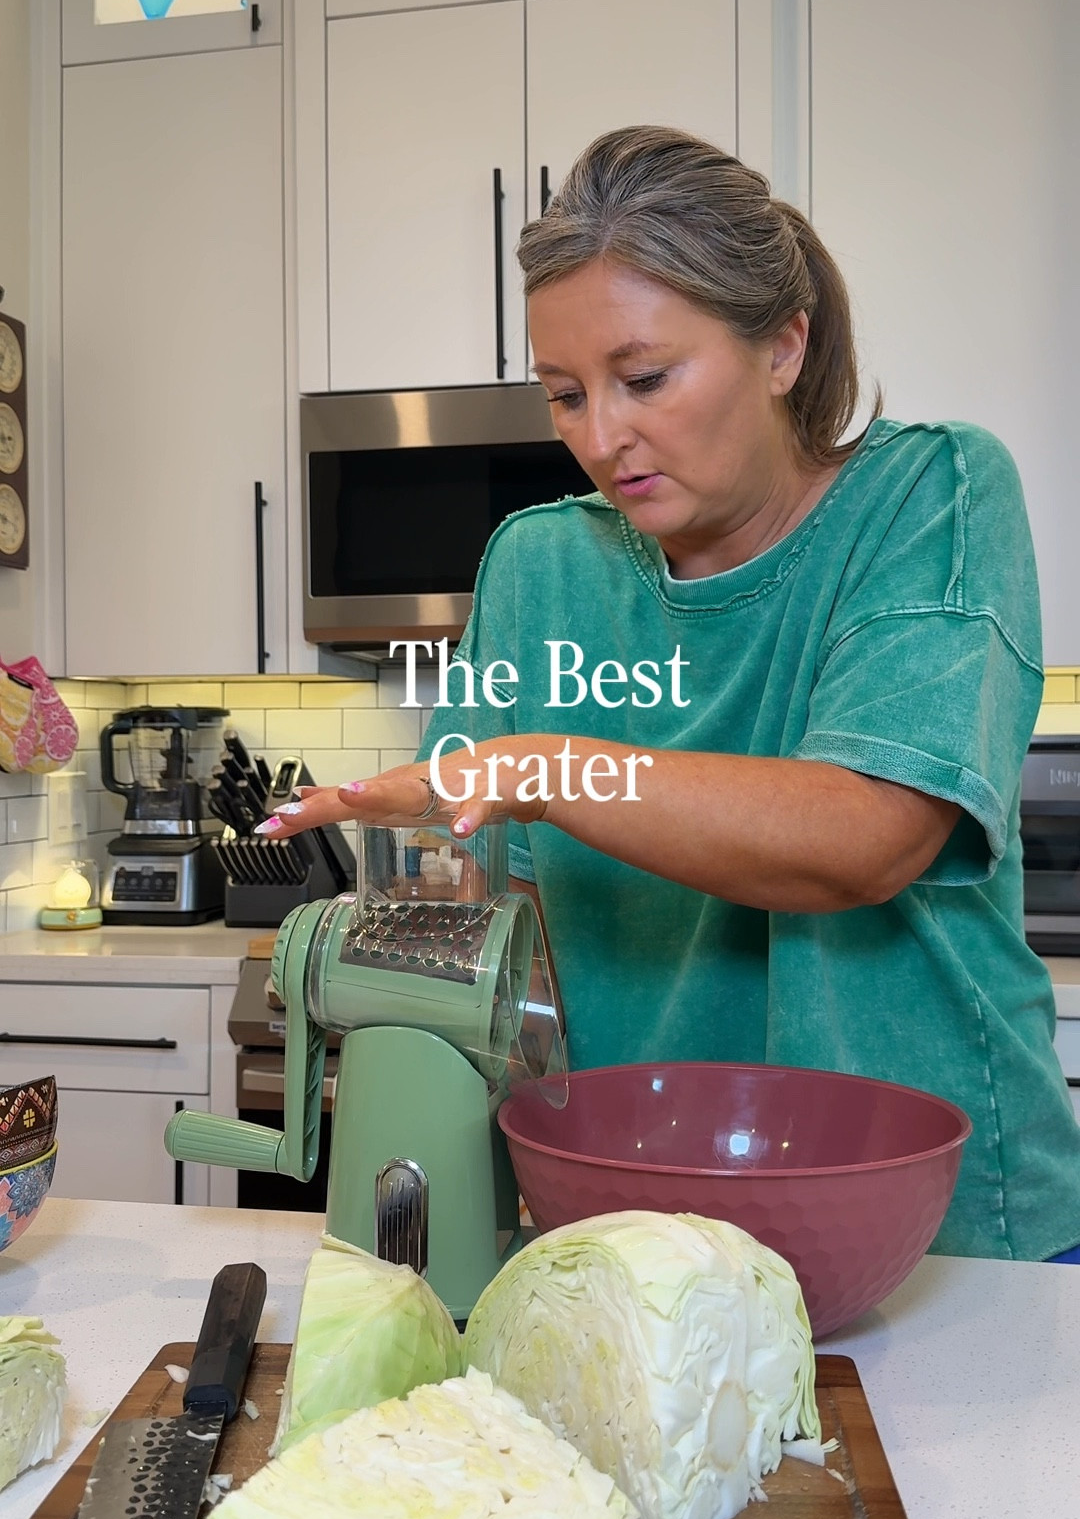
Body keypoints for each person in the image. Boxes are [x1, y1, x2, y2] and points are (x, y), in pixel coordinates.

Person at [260, 125, 1080, 1263]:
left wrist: (537, 767)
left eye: (645, 379)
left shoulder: (931, 496)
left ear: (783, 345)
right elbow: (507, 942)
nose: (602, 437)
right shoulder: (539, 566)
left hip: (939, 1242)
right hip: (638, 1231)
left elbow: (865, 837)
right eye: (565, 394)